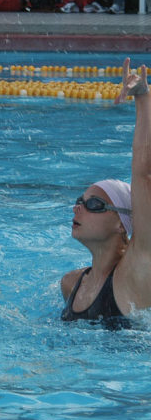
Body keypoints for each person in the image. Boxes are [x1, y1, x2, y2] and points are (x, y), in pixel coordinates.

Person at [60, 58, 151, 326]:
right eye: (80, 201)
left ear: (121, 223)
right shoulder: (70, 284)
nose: (78, 208)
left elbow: (143, 174)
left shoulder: (136, 275)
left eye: (94, 204)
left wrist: (143, 100)